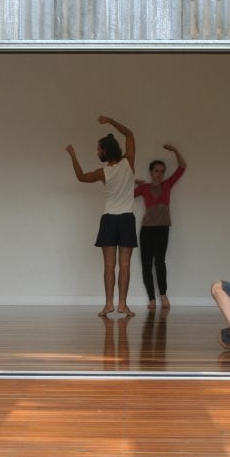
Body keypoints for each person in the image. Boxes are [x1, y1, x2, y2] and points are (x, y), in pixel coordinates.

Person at [66, 115, 137, 316]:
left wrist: (72, 155)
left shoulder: (102, 172)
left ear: (105, 151)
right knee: (125, 265)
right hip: (126, 219)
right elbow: (130, 134)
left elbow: (80, 177)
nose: (97, 152)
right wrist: (112, 121)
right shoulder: (129, 162)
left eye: (98, 149)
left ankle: (109, 304)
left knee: (109, 265)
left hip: (109, 219)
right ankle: (122, 304)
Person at [134, 145, 186, 309]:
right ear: (151, 172)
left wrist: (175, 151)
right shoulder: (143, 188)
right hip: (147, 230)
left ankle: (163, 295)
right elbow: (125, 194)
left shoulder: (167, 184)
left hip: (162, 228)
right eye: (156, 171)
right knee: (146, 264)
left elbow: (182, 167)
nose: (159, 174)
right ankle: (151, 299)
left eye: (162, 171)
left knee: (160, 262)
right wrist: (133, 181)